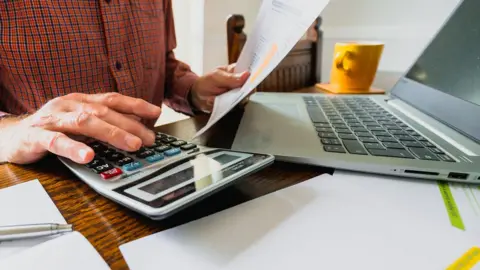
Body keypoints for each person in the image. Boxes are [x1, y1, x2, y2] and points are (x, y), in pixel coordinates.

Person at [0, 0, 250, 165]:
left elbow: (164, 62)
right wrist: (14, 135)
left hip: (151, 161)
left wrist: (194, 90)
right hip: (47, 179)